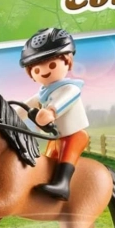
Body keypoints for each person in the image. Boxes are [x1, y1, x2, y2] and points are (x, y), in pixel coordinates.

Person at [18, 27, 89, 201]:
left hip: (73, 135)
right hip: (56, 138)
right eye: (36, 70)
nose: (43, 71)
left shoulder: (70, 88)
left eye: (51, 65)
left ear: (67, 61)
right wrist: (11, 114)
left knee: (66, 156)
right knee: (47, 160)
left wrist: (51, 111)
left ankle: (62, 185)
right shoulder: (43, 93)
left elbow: (65, 100)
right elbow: (25, 106)